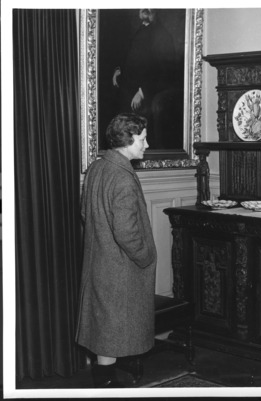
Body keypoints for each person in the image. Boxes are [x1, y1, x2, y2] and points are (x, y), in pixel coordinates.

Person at [76, 113, 157, 388]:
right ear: (128, 139)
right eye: (143, 139)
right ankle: (107, 387)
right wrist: (146, 256)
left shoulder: (97, 167)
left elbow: (85, 213)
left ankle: (105, 384)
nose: (146, 144)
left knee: (105, 333)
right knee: (113, 330)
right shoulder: (122, 177)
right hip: (120, 270)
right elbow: (126, 232)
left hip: (100, 264)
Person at [112, 9, 180, 148]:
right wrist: (118, 70)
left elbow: (166, 73)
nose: (146, 11)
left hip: (149, 93)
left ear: (156, 11)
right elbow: (130, 56)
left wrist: (142, 92)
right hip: (129, 88)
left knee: (137, 131)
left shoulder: (162, 35)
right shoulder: (140, 31)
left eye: (150, 9)